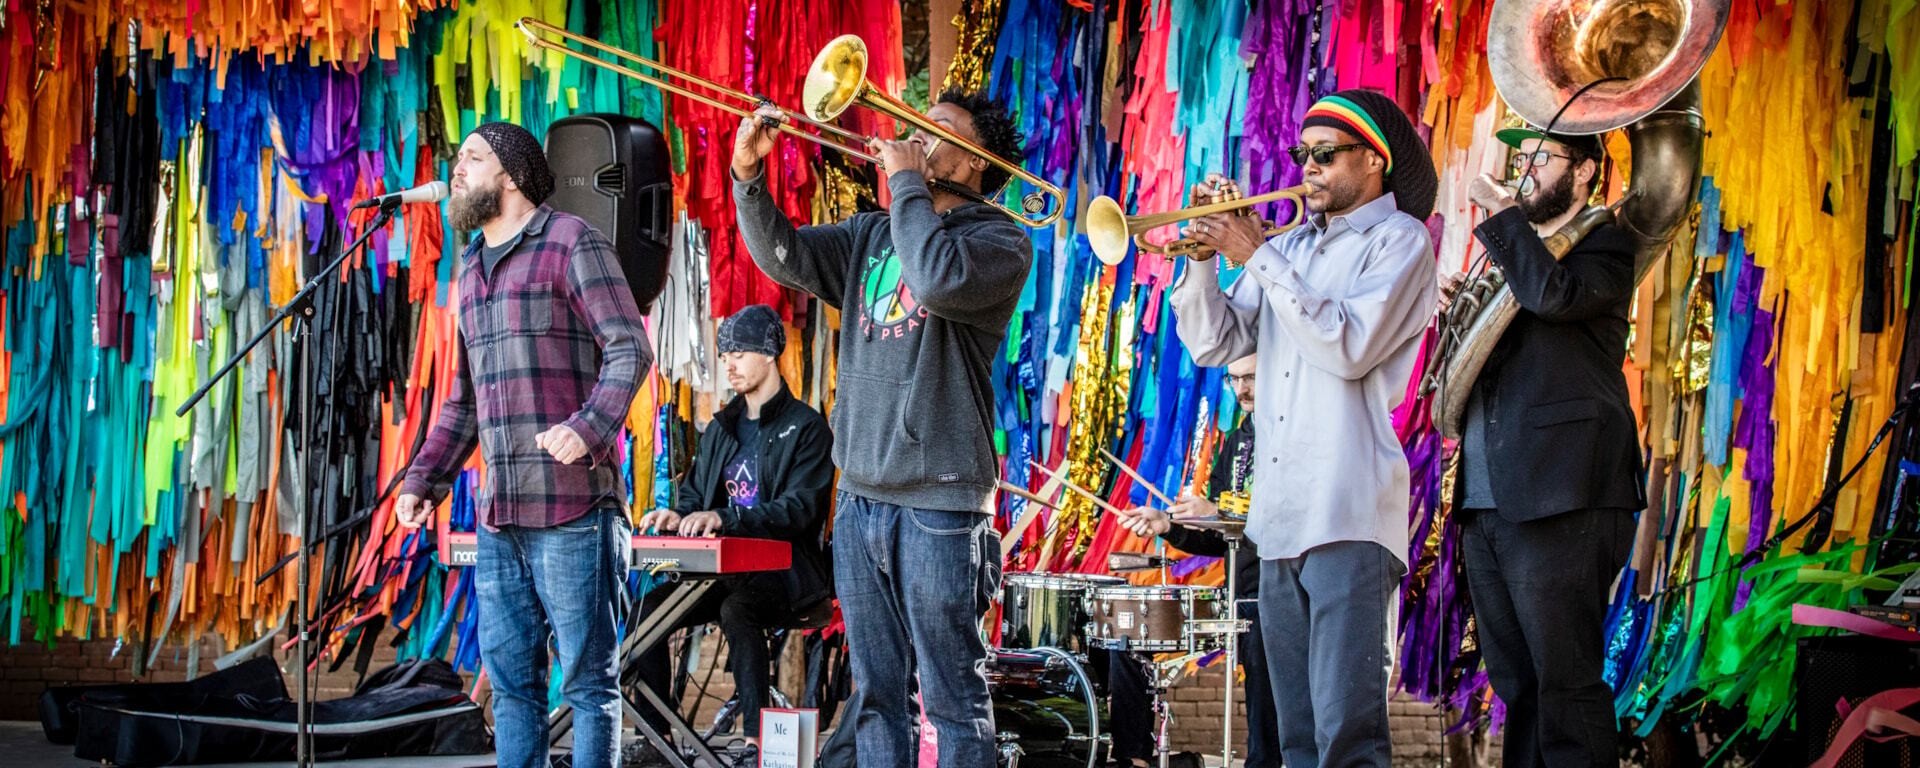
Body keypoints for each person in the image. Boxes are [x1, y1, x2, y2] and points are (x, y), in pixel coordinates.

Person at [730, 91, 1031, 767]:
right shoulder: (872, 232)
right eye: (915, 127)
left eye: (938, 131)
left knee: (952, 699)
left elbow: (934, 281)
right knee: (874, 695)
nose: (915, 138)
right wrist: (748, 179)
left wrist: (904, 183)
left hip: (942, 509)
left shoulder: (1000, 242)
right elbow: (784, 257)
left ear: (981, 164)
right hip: (863, 499)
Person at [1170, 88, 1439, 768]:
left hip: (1347, 507)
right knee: (1292, 734)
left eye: (1324, 155)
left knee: (1346, 734)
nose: (1306, 169)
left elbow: (1347, 345)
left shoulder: (1400, 241)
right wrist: (1202, 258)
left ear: (1374, 161)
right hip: (1278, 515)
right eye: (1301, 154)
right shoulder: (1290, 247)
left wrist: (1255, 252)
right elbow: (1213, 343)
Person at [394, 122, 652, 768]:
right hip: (500, 519)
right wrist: (422, 480)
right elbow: (464, 401)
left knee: (589, 687)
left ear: (510, 173)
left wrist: (588, 427)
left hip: (574, 513)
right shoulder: (472, 268)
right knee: (511, 690)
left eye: (472, 159)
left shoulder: (572, 243)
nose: (457, 171)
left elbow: (630, 349)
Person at [1455, 126, 1642, 768]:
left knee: (1566, 687)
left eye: (1542, 157)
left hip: (1563, 496)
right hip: (1488, 502)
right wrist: (1465, 311)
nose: (1525, 167)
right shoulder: (1519, 258)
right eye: (1521, 156)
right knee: (1522, 689)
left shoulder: (1606, 243)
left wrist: (1504, 218)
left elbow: (1553, 297)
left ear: (1585, 171)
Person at [633, 304, 836, 753]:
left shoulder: (807, 428)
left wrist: (729, 518)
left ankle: (754, 739)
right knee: (645, 613)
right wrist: (676, 517)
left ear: (769, 354)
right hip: (719, 574)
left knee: (738, 611)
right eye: (724, 354)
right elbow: (694, 496)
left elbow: (799, 510)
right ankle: (656, 735)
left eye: (738, 352)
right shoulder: (721, 426)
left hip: (786, 576)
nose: (728, 363)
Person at [1112, 353, 1278, 767]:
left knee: (1266, 692)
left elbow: (1288, 516)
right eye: (1234, 379)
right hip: (1234, 594)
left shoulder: (1291, 438)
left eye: (1252, 377)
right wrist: (1167, 524)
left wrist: (1223, 514)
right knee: (1129, 637)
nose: (1242, 389)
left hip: (1277, 594)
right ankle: (1135, 757)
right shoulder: (1238, 441)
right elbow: (1219, 540)